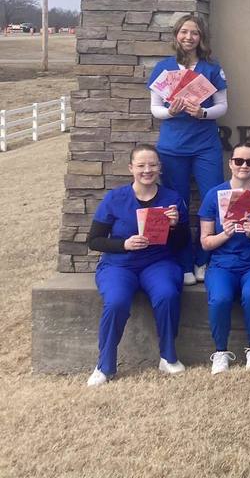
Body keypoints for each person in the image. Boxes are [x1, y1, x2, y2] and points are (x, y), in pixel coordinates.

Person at [85, 145, 189, 386]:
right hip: (119, 265)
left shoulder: (172, 199)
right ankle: (105, 365)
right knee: (116, 301)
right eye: (141, 165)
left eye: (152, 164)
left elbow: (183, 242)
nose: (147, 170)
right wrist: (124, 244)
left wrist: (175, 226)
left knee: (166, 294)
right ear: (131, 168)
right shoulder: (115, 198)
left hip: (158, 261)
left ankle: (168, 357)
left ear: (160, 167)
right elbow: (94, 241)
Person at [148, 14, 228, 285]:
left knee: (212, 201)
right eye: (184, 32)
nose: (189, 37)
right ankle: (182, 262)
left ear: (201, 37)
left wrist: (203, 112)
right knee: (176, 204)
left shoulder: (211, 68)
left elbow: (222, 106)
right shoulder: (164, 67)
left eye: (194, 33)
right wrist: (170, 111)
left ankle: (205, 260)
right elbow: (155, 109)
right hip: (172, 147)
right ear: (176, 35)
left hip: (206, 146)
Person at [199, 142, 250, 374]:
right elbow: (205, 242)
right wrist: (225, 234)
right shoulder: (214, 194)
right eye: (239, 161)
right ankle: (220, 352)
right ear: (230, 163)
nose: (244, 166)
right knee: (220, 298)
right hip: (222, 263)